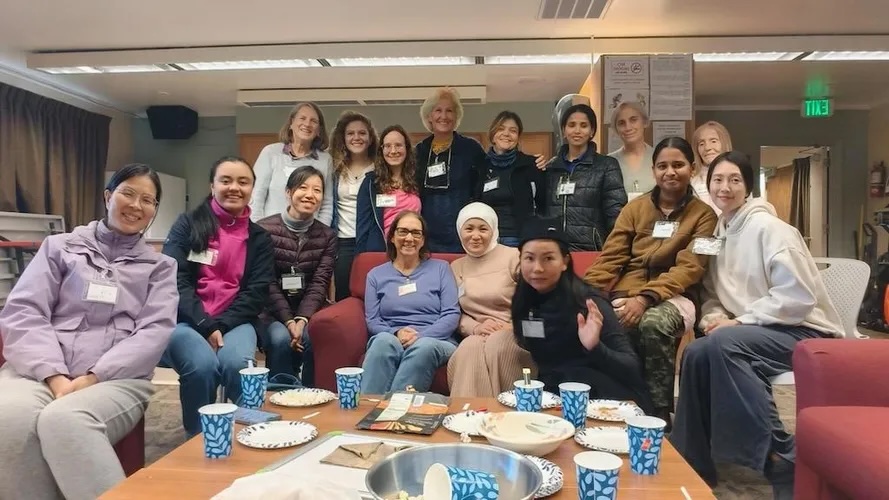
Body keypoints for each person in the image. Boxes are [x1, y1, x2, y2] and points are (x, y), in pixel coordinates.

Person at [670, 151, 843, 500]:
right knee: (698, 352)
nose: (725, 187)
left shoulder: (770, 229)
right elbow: (712, 293)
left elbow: (797, 297)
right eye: (718, 180)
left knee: (723, 346)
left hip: (803, 330)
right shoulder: (718, 233)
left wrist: (739, 322)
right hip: (752, 332)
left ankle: (769, 459)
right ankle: (691, 457)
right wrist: (715, 318)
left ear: (748, 186)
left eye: (735, 179)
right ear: (708, 185)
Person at [0, 164, 178, 500]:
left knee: (66, 420)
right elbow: (24, 311)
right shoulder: (58, 247)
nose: (136, 205)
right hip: (38, 373)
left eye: (147, 200)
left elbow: (154, 332)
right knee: (8, 419)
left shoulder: (161, 267)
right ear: (108, 196)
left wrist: (94, 376)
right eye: (128, 193)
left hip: (116, 379)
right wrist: (54, 376)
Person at [584, 137, 717, 424]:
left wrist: (645, 298)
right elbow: (611, 257)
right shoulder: (635, 209)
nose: (670, 172)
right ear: (653, 170)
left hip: (677, 296)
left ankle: (657, 413)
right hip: (627, 293)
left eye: (678, 165)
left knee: (653, 323)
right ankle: (618, 404)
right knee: (603, 320)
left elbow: (691, 267)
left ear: (692, 169)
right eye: (662, 166)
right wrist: (583, 293)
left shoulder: (704, 216)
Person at [160, 156, 275, 436]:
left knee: (238, 366)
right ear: (212, 186)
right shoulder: (187, 225)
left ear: (252, 189)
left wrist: (220, 325)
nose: (234, 187)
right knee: (202, 366)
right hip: (187, 320)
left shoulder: (260, 238)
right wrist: (205, 324)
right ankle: (201, 437)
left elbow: (256, 292)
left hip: (234, 321)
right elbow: (175, 279)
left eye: (243, 182)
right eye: (226, 180)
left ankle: (251, 434)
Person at [510, 218, 652, 412]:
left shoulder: (588, 304)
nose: (538, 268)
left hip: (604, 400)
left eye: (548, 258)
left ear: (565, 261)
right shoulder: (523, 302)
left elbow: (632, 368)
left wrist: (595, 347)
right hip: (553, 396)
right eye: (529, 258)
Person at [360, 211, 460, 394]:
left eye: (416, 233)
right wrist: (396, 333)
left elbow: (451, 314)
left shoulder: (441, 269)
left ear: (423, 240)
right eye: (403, 231)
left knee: (423, 347)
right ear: (392, 237)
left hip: (436, 339)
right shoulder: (375, 275)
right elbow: (373, 320)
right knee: (382, 342)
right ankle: (367, 406)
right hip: (392, 336)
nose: (409, 238)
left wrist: (421, 335)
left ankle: (397, 408)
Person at [257, 166, 337, 386]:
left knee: (313, 337)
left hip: (309, 311)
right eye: (303, 187)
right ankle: (279, 394)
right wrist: (288, 321)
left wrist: (301, 319)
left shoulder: (327, 236)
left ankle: (312, 395)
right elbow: (267, 282)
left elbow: (319, 282)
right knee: (280, 339)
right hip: (271, 312)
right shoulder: (263, 230)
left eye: (317, 190)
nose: (310, 195)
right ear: (288, 192)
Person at [446, 203, 533, 397]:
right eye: (469, 229)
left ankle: (507, 408)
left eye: (483, 229)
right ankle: (467, 411)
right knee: (468, 348)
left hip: (515, 332)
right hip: (477, 334)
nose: (475, 235)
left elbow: (534, 301)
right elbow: (453, 310)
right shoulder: (456, 267)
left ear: (494, 230)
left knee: (498, 344)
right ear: (460, 231)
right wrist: (475, 328)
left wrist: (513, 326)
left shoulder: (515, 257)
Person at [540, 103, 627, 251]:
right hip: (555, 249)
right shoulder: (551, 168)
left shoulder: (606, 166)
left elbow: (616, 213)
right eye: (571, 125)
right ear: (564, 130)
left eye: (584, 125)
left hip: (592, 251)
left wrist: (616, 249)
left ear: (592, 131)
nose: (577, 131)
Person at [415, 87, 486, 253]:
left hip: (462, 232)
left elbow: (485, 182)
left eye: (449, 111)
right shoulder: (419, 151)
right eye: (438, 110)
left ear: (456, 116)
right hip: (427, 234)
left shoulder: (471, 148)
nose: (444, 116)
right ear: (429, 116)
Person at [250, 102, 334, 225]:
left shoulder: (325, 160)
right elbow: (256, 197)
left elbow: (327, 204)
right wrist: (259, 230)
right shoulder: (271, 153)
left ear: (319, 130)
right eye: (302, 118)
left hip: (309, 233)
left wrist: (320, 232)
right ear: (291, 123)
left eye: (314, 121)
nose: (307, 124)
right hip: (270, 231)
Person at [476, 111, 545, 247]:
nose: (506, 134)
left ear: (518, 137)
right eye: (501, 129)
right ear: (493, 135)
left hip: (519, 238)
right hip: (487, 237)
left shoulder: (531, 165)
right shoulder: (480, 166)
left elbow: (542, 204)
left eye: (513, 131)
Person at [328, 111, 377, 300]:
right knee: (344, 293)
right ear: (343, 138)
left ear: (370, 138)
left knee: (370, 293)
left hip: (372, 240)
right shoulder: (334, 168)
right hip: (343, 241)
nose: (356, 137)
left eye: (362, 133)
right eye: (350, 133)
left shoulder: (379, 167)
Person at [356, 124, 421, 253]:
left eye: (398, 145)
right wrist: (362, 257)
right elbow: (362, 226)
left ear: (407, 148)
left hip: (413, 250)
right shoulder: (371, 183)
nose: (393, 151)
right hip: (382, 252)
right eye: (387, 146)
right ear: (381, 150)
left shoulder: (417, 180)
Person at [608, 101, 656, 200]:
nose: (628, 127)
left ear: (644, 122)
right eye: (621, 123)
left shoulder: (659, 157)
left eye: (633, 120)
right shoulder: (608, 162)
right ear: (616, 129)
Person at [691, 121, 733, 213]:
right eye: (701, 144)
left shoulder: (738, 176)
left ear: (725, 143)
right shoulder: (692, 181)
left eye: (713, 141)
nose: (707, 148)